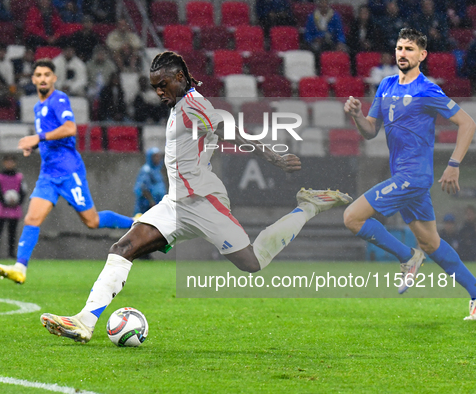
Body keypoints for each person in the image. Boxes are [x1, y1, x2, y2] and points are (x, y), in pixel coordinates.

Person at [39, 51, 352, 343]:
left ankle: (308, 206)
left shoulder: (192, 103)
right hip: (175, 204)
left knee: (252, 263)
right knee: (123, 247)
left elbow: (226, 129)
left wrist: (273, 156)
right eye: (154, 87)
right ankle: (84, 321)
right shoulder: (178, 105)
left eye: (163, 85)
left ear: (179, 77)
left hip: (204, 202)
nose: (159, 92)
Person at [343, 28, 476, 320]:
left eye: (410, 49)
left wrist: (453, 164)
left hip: (412, 178)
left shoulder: (428, 89)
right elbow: (369, 131)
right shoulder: (386, 85)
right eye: (400, 48)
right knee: (431, 243)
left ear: (422, 55)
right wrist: (356, 115)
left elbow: (467, 123)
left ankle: (408, 257)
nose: (403, 53)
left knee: (352, 217)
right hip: (402, 177)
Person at [0, 58, 134, 284]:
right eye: (38, 75)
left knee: (92, 221)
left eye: (47, 75)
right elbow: (51, 135)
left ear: (54, 78)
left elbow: (70, 128)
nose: (42, 79)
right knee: (31, 218)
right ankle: (20, 268)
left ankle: (135, 222)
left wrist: (37, 137)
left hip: (69, 171)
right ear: (33, 79)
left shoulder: (59, 99)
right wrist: (35, 145)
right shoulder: (38, 107)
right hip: (48, 174)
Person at [0, 155, 27, 259]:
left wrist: (17, 201)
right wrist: (5, 202)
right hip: (1, 209)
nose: (9, 164)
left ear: (15, 163)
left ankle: (11, 254)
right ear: (4, 163)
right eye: (7, 162)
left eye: (11, 162)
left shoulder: (19, 177)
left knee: (12, 233)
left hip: (14, 210)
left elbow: (23, 191)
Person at [133, 147, 165, 215]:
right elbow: (143, 187)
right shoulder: (146, 170)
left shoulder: (157, 171)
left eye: (158, 156)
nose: (157, 159)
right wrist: (151, 202)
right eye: (155, 156)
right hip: (147, 206)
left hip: (158, 204)